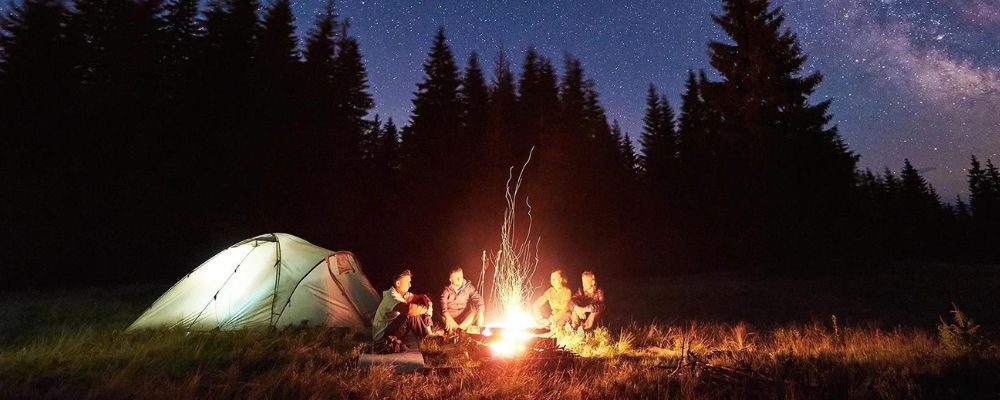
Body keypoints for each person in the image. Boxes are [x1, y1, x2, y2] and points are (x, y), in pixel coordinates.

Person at [371, 269, 438, 353]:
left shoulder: (402, 294)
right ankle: (427, 337)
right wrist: (426, 309)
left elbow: (420, 297)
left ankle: (429, 333)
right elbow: (409, 310)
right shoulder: (391, 296)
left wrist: (427, 301)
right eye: (407, 282)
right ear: (398, 283)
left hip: (391, 330)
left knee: (419, 304)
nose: (410, 285)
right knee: (410, 313)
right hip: (382, 337)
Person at [440, 267, 485, 333]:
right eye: (456, 278)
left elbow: (478, 299)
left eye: (461, 276)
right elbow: (442, 305)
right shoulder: (446, 290)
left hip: (464, 319)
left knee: (476, 311)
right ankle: (460, 331)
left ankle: (458, 330)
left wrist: (481, 313)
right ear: (451, 279)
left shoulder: (468, 287)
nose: (460, 279)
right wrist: (447, 316)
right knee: (444, 316)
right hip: (451, 319)